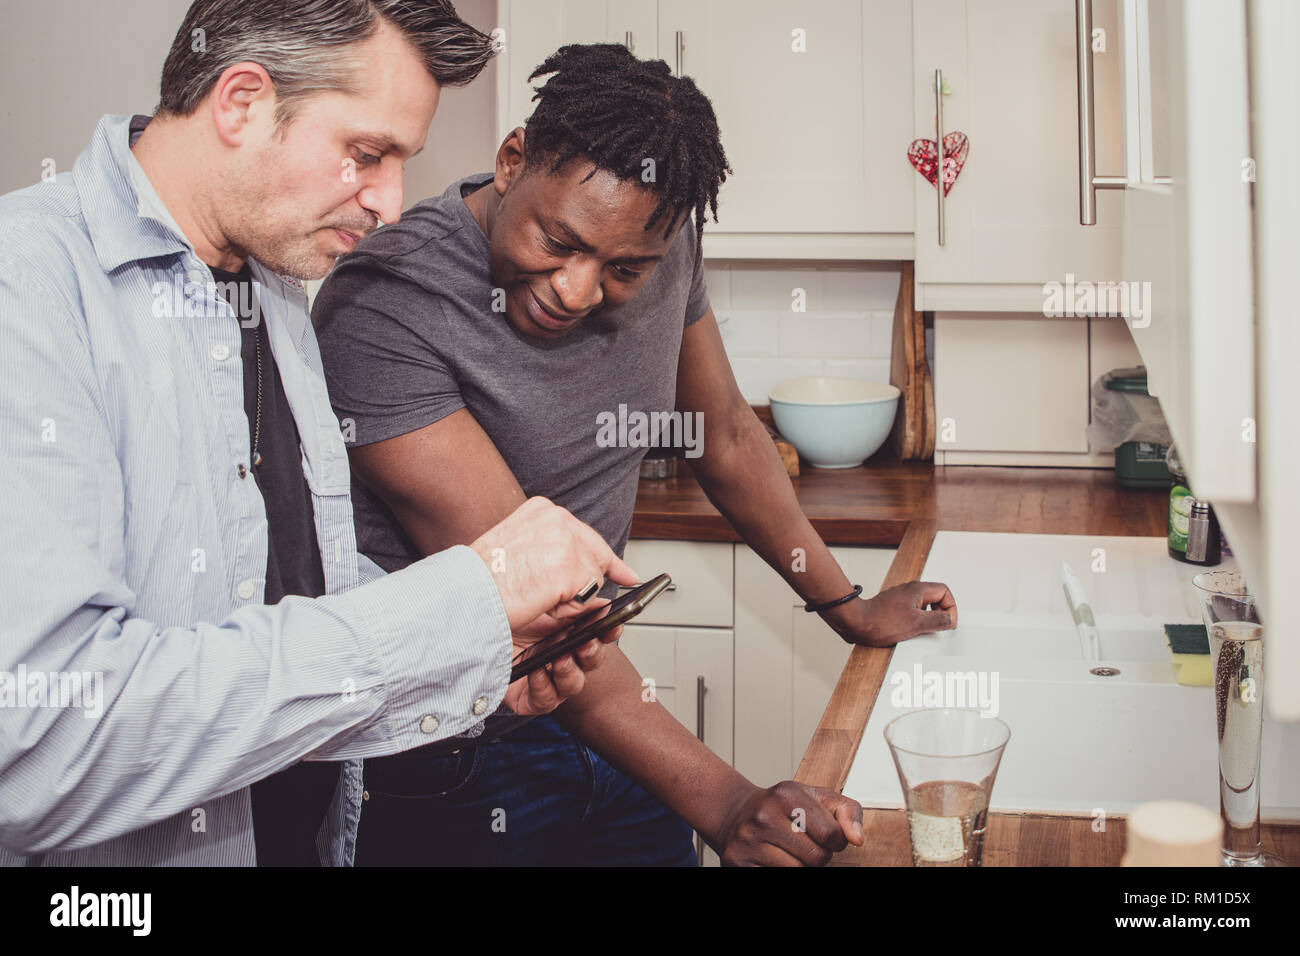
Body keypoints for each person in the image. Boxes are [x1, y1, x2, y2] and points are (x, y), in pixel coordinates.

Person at [0, 0, 630, 868]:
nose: (390, 202)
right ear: (242, 101)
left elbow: (271, 591)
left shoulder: (273, 280)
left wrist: (474, 650)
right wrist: (463, 596)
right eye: (366, 155)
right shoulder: (24, 285)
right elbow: (41, 744)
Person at [314, 44, 954, 866]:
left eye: (623, 269)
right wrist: (728, 805)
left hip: (607, 708)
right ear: (512, 161)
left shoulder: (655, 239)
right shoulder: (387, 304)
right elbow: (533, 600)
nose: (578, 290)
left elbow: (721, 434)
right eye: (557, 241)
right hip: (453, 756)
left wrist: (844, 606)